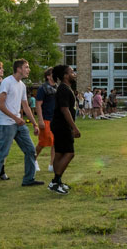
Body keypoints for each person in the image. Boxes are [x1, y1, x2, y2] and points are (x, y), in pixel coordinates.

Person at [0, 59, 42, 192]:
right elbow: (0, 105)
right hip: (7, 124)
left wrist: (34, 124)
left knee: (31, 150)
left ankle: (28, 180)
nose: (28, 69)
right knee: (3, 152)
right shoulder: (7, 82)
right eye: (26, 67)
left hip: (18, 123)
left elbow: (25, 106)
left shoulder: (22, 85)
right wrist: (15, 117)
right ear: (19, 69)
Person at [48, 64, 81, 195]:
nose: (74, 74)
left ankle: (56, 182)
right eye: (72, 72)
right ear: (65, 76)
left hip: (59, 125)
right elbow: (64, 109)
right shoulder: (63, 89)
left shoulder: (66, 88)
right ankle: (56, 181)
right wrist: (74, 128)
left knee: (60, 153)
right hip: (62, 125)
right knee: (69, 153)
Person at [34, 68, 58, 173]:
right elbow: (38, 104)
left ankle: (52, 165)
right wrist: (40, 120)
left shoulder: (58, 87)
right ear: (48, 76)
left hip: (56, 119)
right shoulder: (42, 88)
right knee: (43, 143)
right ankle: (33, 160)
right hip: (46, 118)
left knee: (55, 143)